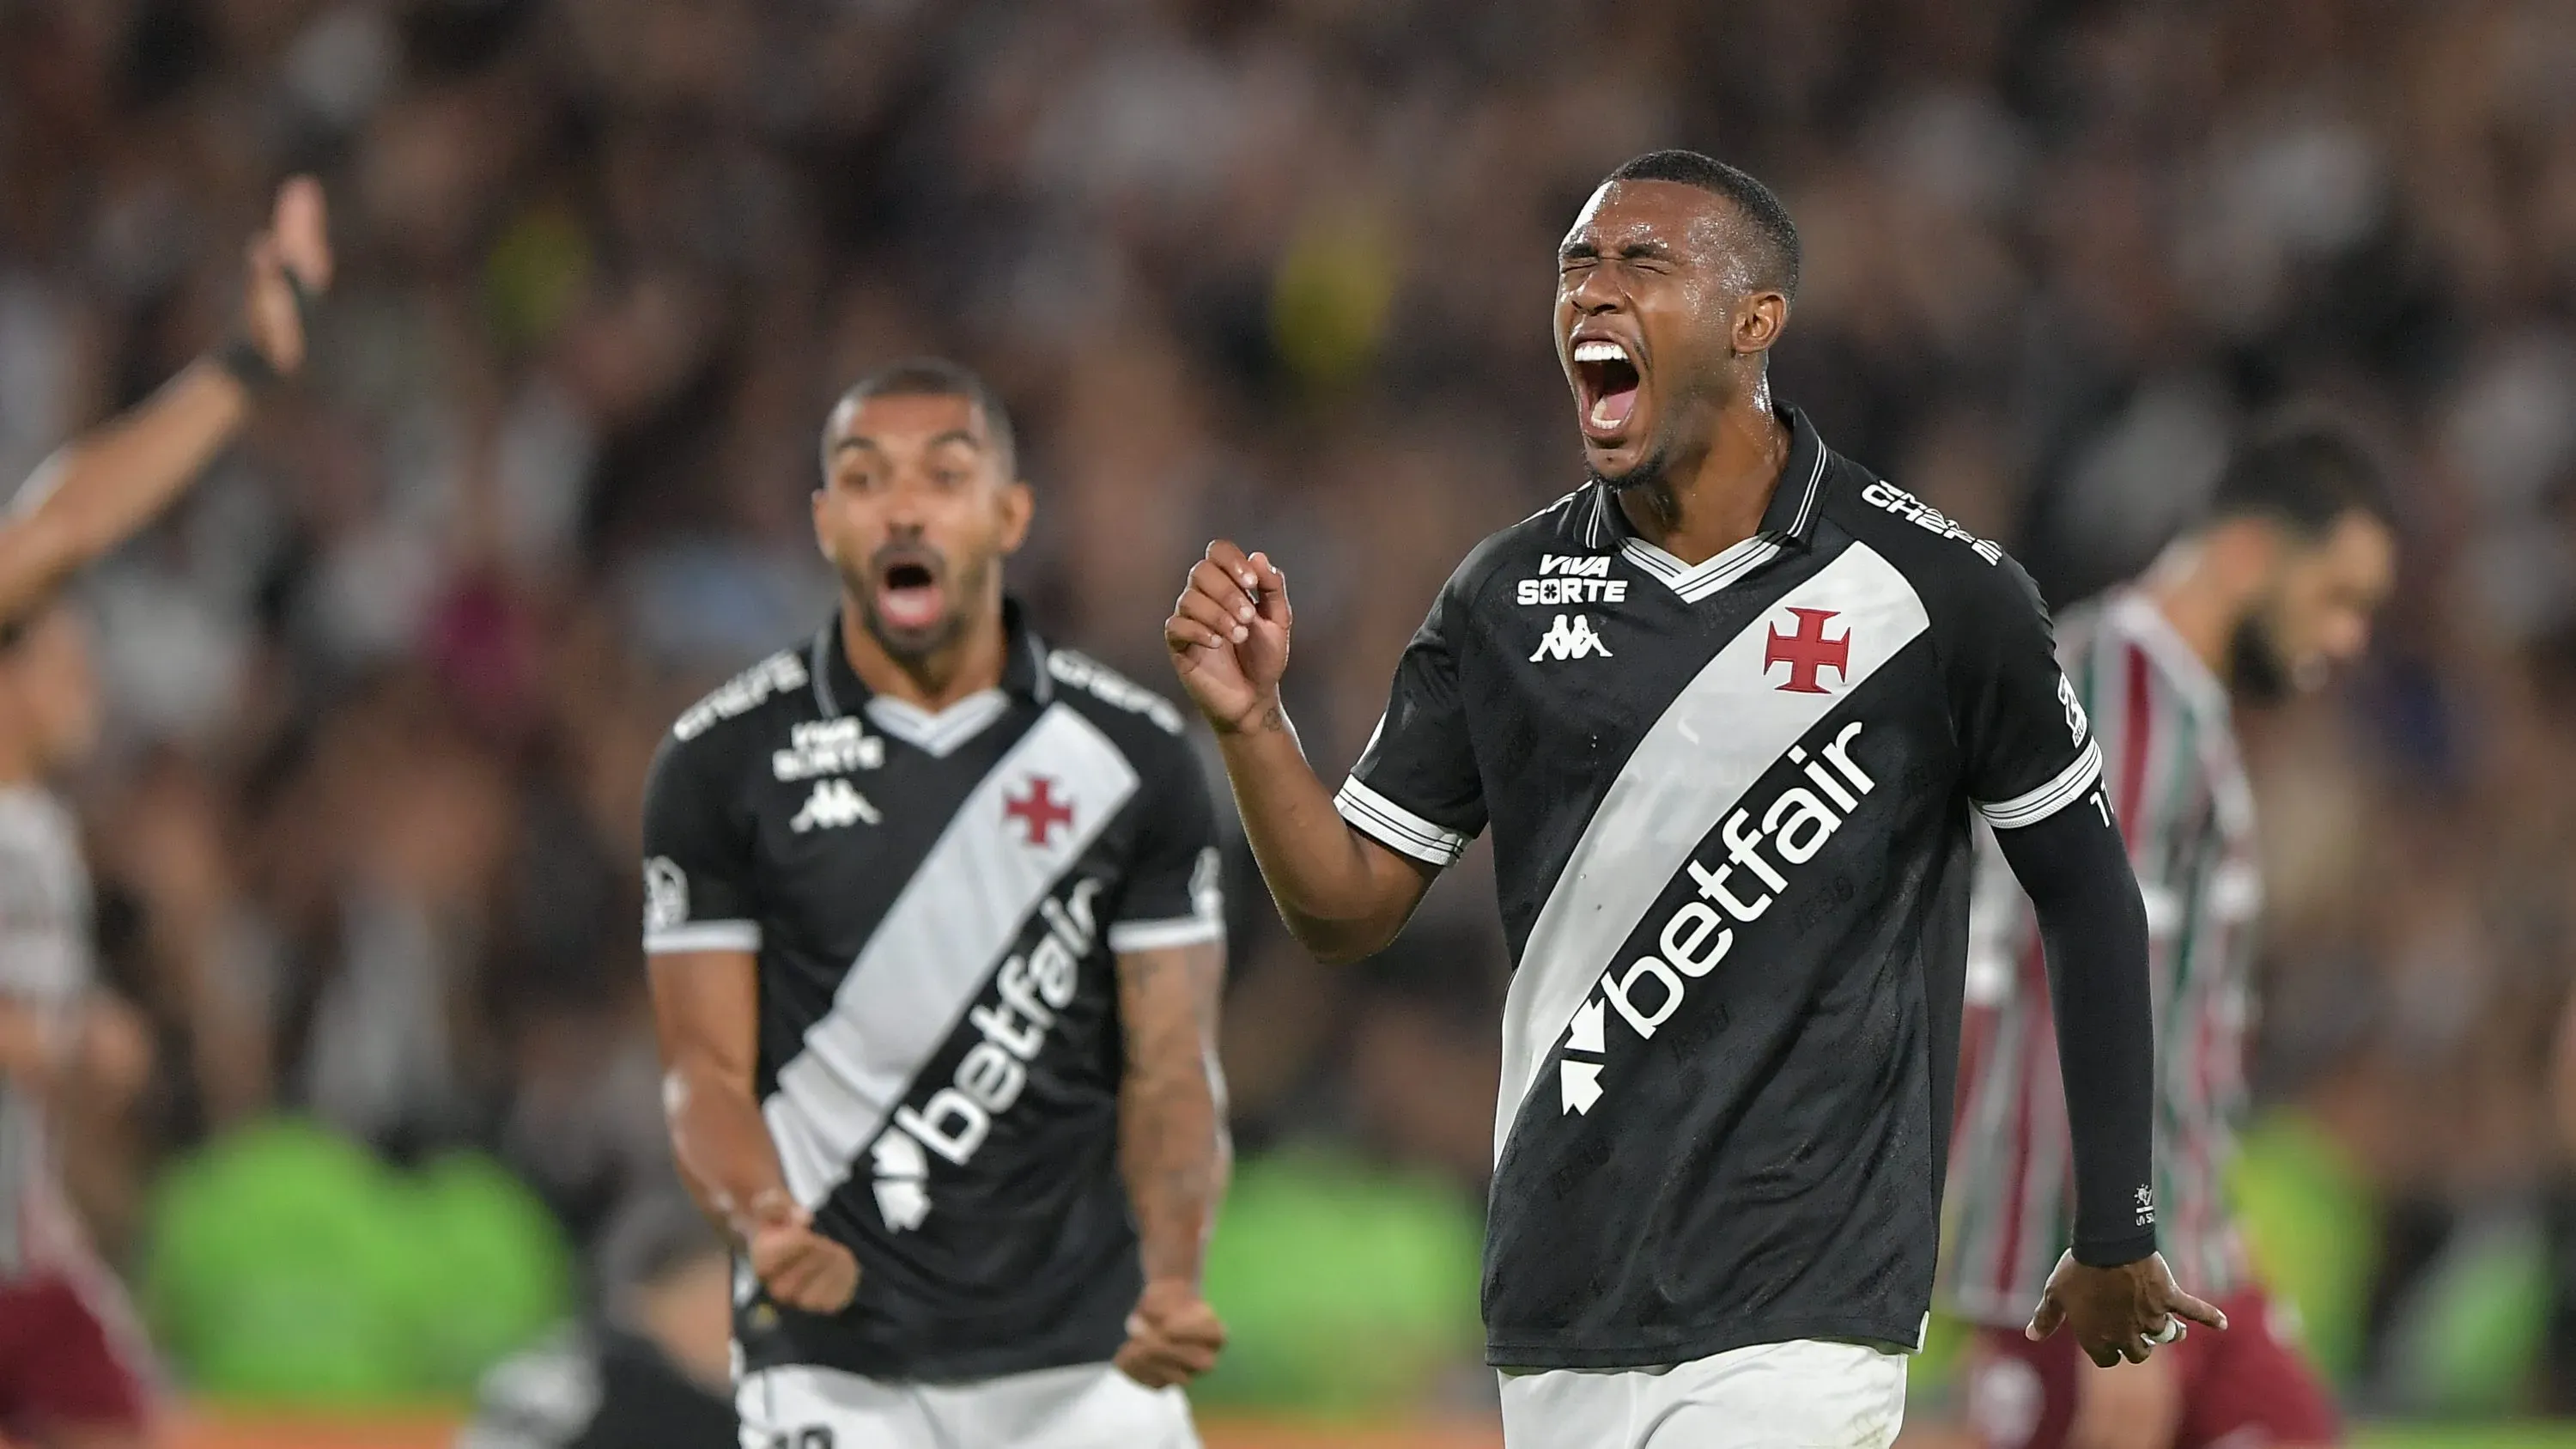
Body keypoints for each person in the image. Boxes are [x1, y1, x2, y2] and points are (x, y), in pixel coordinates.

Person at [1163, 149, 2220, 1449]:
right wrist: (1253, 722)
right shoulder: (1501, 598)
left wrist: (2116, 1218)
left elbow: (2090, 892)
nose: (1591, 293)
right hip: (1560, 1296)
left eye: (1640, 262)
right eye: (1575, 265)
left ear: (1753, 320)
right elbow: (1345, 906)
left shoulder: (1939, 593)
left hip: (1804, 1300)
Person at [642, 359, 1231, 1449]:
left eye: (944, 476)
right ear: (825, 522)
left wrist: (1177, 1269)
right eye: (865, 479)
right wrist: (763, 1222)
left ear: (1010, 514)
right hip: (835, 1366)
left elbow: (1171, 1064)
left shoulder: (1132, 757)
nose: (903, 505)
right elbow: (703, 1074)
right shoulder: (721, 764)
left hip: (1086, 1367)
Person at [1942, 423, 2397, 1449]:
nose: (2348, 637)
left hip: (2176, 1252)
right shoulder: (2127, 697)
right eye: (2336, 596)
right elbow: (2089, 981)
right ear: (2246, 555)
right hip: (2097, 1272)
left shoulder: (2158, 700)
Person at [0, 178, 330, 1449]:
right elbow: (65, 519)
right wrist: (245, 366)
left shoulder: (41, 830)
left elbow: (64, 521)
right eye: (62, 648)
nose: (90, 672)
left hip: (26, 1263)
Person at [459, 1190, 739, 1449]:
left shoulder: (758, 1394)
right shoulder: (561, 1383)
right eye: (699, 1297)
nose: (725, 1321)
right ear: (638, 1304)